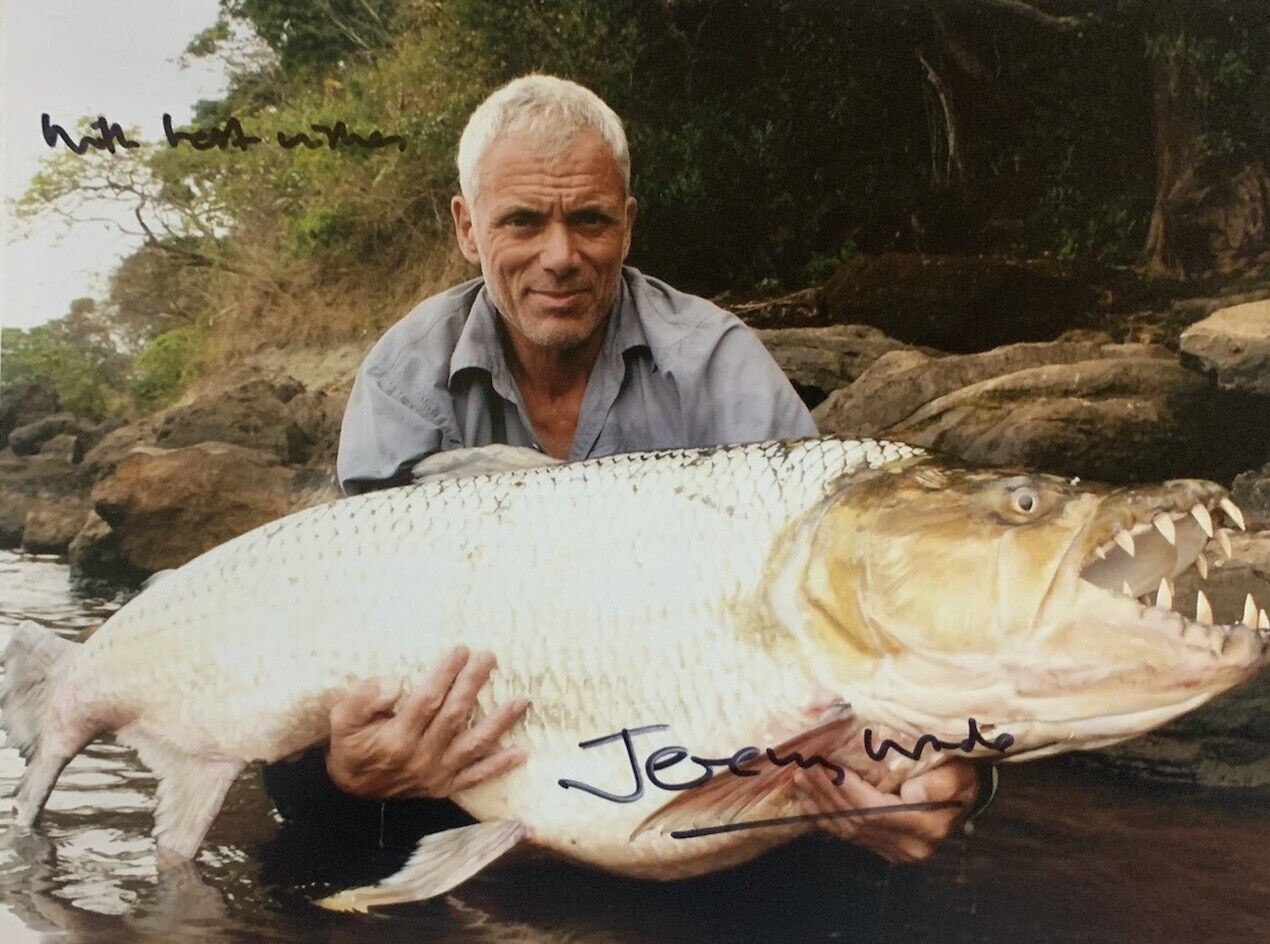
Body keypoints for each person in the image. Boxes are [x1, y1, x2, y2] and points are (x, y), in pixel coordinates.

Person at [265, 74, 989, 865]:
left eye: (589, 220)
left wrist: (956, 773)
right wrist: (347, 767)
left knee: (856, 855)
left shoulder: (718, 364)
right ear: (467, 228)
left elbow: (851, 613)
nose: (560, 255)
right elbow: (346, 634)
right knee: (308, 801)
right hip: (474, 760)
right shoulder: (403, 380)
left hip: (697, 760)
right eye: (523, 221)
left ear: (630, 223)